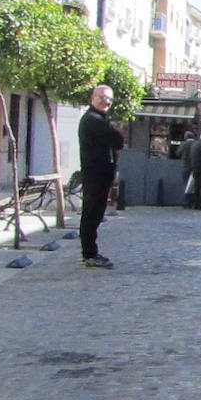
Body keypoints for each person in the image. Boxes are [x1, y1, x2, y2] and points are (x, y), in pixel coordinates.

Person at [77, 85, 123, 269]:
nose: (106, 102)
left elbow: (116, 140)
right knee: (91, 213)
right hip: (95, 173)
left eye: (109, 99)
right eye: (103, 97)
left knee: (95, 214)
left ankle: (90, 252)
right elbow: (117, 140)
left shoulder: (100, 119)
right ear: (92, 98)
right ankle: (89, 254)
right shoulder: (93, 119)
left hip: (101, 174)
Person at [180, 127, 200, 209]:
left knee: (186, 185)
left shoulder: (183, 144)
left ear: (186, 137)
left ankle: (187, 203)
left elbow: (178, 152)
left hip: (185, 167)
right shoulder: (196, 143)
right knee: (193, 186)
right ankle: (194, 202)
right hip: (195, 167)